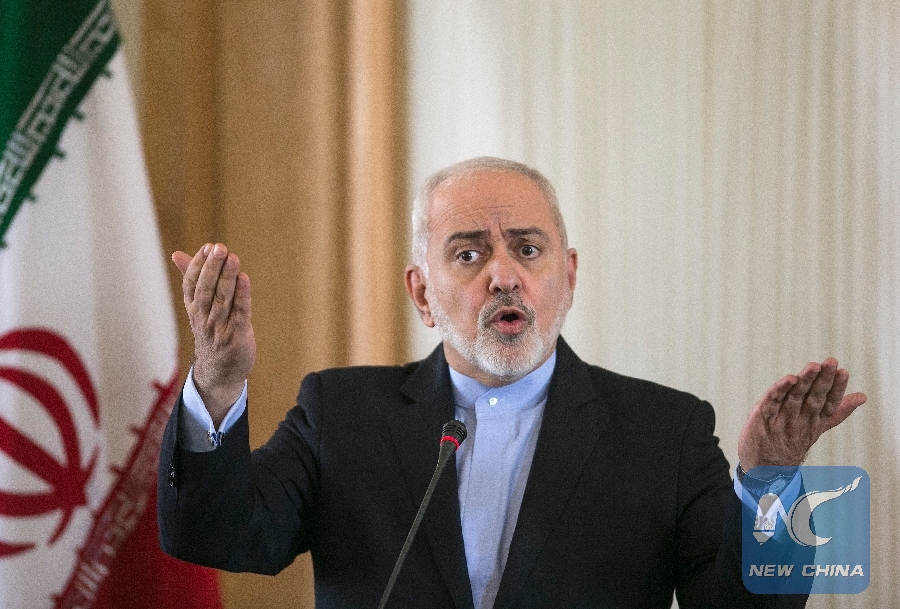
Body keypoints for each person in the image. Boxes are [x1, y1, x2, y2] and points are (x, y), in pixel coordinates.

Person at [158, 157, 866, 609]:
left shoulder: (663, 431)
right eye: (469, 254)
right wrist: (216, 380)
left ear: (568, 277)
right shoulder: (342, 413)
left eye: (528, 248)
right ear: (422, 294)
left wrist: (772, 479)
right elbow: (217, 535)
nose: (504, 274)